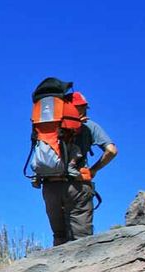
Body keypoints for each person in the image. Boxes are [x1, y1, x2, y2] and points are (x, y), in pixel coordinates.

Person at [37, 89, 117, 245]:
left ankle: (59, 261)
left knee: (59, 236)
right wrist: (93, 170)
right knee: (82, 239)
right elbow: (111, 151)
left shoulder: (48, 127)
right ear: (82, 107)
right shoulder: (89, 126)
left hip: (50, 186)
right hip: (78, 185)